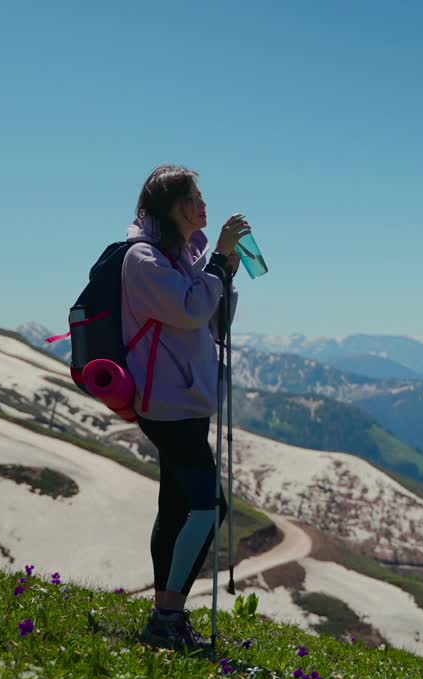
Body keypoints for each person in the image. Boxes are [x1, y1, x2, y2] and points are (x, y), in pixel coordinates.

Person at [122, 164, 245, 653]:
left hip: (185, 399)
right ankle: (167, 617)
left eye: (201, 195)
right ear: (168, 209)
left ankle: (164, 615)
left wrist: (223, 271)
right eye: (191, 197)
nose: (202, 205)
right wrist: (218, 261)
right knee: (207, 504)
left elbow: (211, 321)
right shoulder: (144, 260)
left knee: (175, 505)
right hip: (167, 402)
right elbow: (190, 310)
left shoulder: (180, 257)